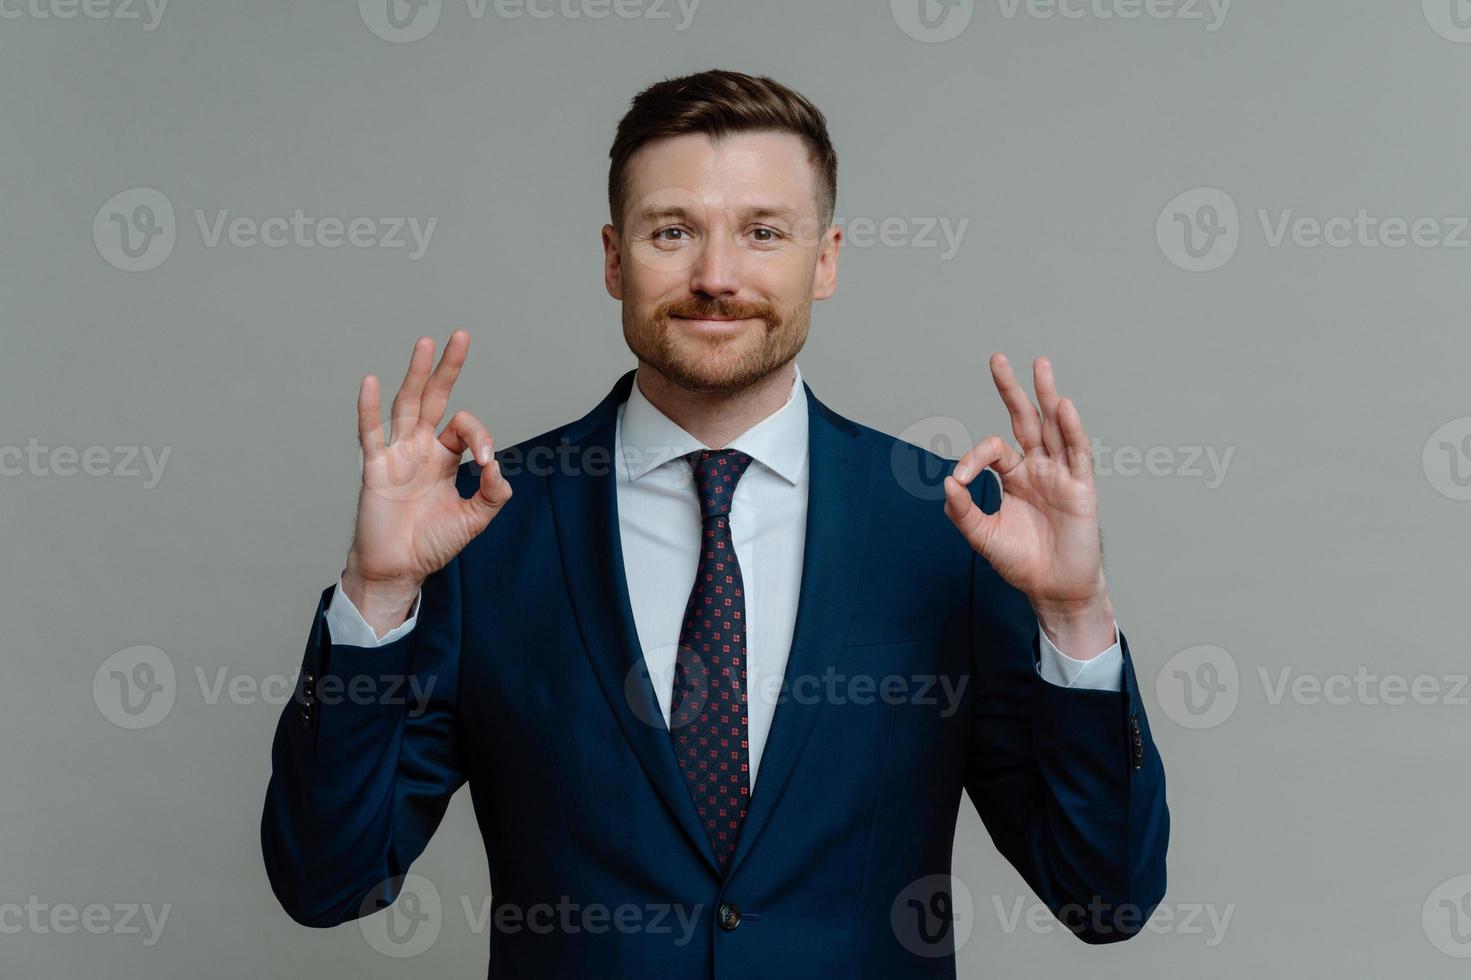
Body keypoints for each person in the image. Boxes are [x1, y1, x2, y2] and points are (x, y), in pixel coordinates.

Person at [260, 68, 1168, 978]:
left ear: (826, 260)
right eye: (672, 232)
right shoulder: (484, 526)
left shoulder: (948, 529)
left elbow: (1105, 896)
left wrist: (1075, 617)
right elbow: (326, 881)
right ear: (614, 259)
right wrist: (376, 598)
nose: (715, 277)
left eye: (762, 232)